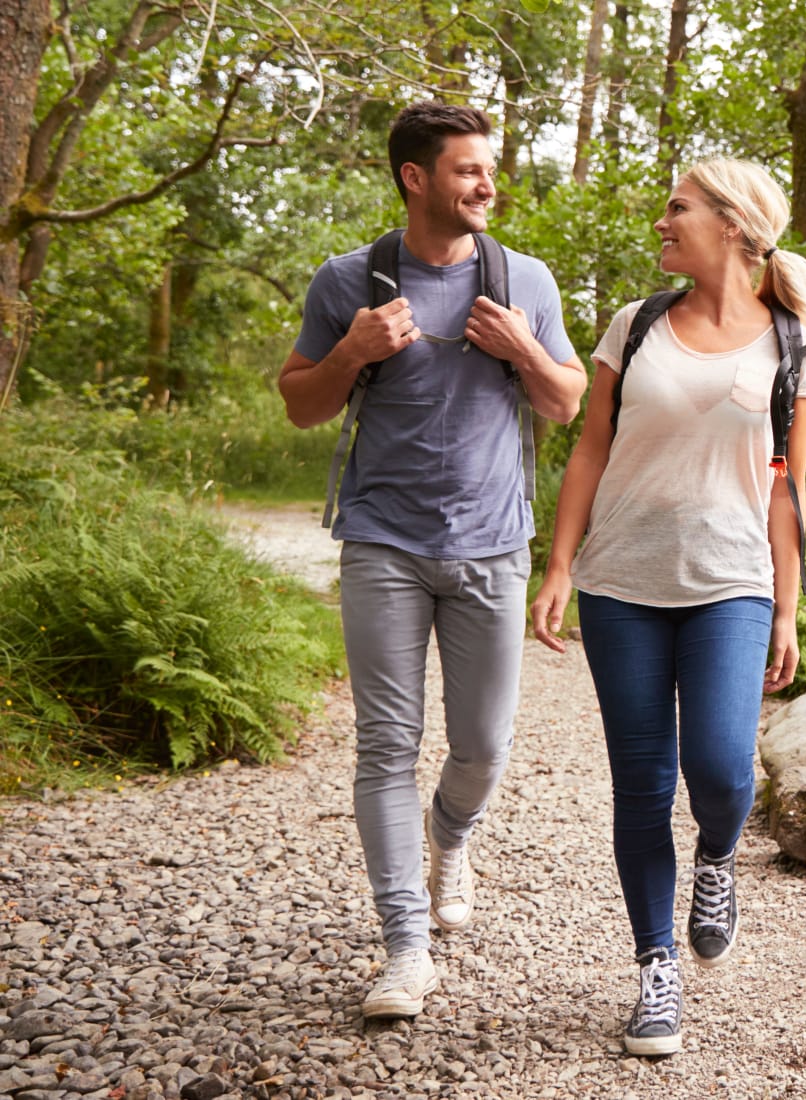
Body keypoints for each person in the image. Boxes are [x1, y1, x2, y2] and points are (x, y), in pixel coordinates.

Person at [278, 101, 586, 1019]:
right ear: (416, 179)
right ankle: (404, 948)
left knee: (483, 747)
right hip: (382, 542)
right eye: (468, 170)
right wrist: (352, 350)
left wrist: (526, 347)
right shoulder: (349, 280)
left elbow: (567, 403)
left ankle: (452, 833)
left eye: (489, 168)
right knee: (385, 745)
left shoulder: (523, 277)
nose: (488, 184)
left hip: (493, 546)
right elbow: (300, 404)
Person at [527, 157, 806, 1056]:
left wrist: (785, 608)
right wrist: (561, 565)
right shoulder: (636, 323)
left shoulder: (795, 342)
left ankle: (717, 859)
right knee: (643, 785)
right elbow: (589, 449)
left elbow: (789, 488)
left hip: (732, 582)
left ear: (733, 227)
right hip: (623, 584)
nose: (661, 221)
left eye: (677, 208)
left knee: (726, 770)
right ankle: (655, 968)